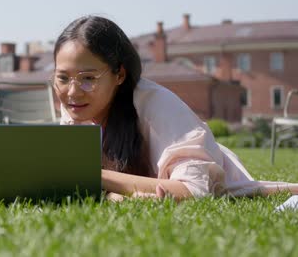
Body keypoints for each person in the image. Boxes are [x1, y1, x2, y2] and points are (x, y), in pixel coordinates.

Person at [52, 15, 298, 200]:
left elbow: (194, 190)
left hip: (207, 167)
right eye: (63, 78)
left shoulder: (159, 106)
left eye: (88, 78)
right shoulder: (77, 107)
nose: (72, 92)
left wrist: (93, 176)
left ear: (119, 75)